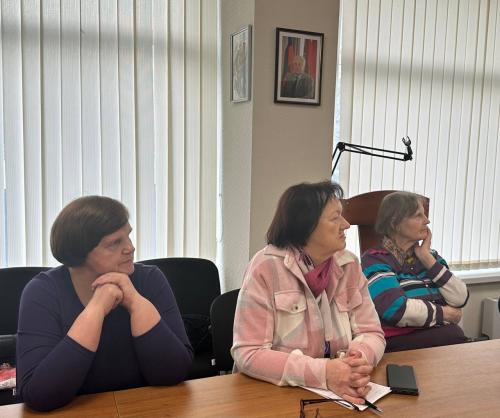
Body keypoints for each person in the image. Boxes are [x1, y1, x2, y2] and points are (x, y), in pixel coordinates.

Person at [16, 196, 193, 411]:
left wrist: (136, 303)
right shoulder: (42, 292)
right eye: (115, 243)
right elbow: (39, 395)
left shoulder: (150, 279)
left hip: (145, 408)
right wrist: (96, 309)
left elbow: (175, 372)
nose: (131, 247)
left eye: (128, 236)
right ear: (80, 252)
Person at [231, 181, 385, 406]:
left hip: (336, 393)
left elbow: (372, 332)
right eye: (335, 218)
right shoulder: (266, 267)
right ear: (306, 225)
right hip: (273, 396)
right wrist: (324, 373)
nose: (346, 224)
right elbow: (248, 353)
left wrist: (357, 361)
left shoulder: (349, 265)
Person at [361, 191, 469, 352]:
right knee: (455, 336)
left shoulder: (430, 257)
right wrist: (445, 314)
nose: (427, 220)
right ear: (395, 222)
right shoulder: (375, 259)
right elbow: (396, 309)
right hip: (401, 343)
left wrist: (427, 258)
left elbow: (460, 298)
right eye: (418, 215)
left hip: (441, 341)